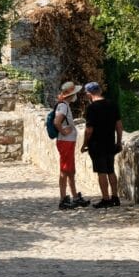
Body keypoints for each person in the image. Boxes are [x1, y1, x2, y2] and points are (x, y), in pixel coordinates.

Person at [81, 82, 123, 209]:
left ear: (89, 93)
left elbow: (89, 130)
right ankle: (115, 197)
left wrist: (84, 144)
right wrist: (119, 142)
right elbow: (119, 126)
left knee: (101, 172)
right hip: (110, 142)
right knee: (110, 169)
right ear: (100, 90)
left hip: (97, 144)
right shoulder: (112, 104)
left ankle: (105, 198)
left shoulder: (92, 108)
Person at [54, 81, 90, 210]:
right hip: (66, 142)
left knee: (70, 170)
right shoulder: (63, 106)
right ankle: (63, 198)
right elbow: (57, 122)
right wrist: (64, 131)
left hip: (67, 142)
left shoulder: (63, 105)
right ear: (72, 94)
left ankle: (74, 196)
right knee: (65, 170)